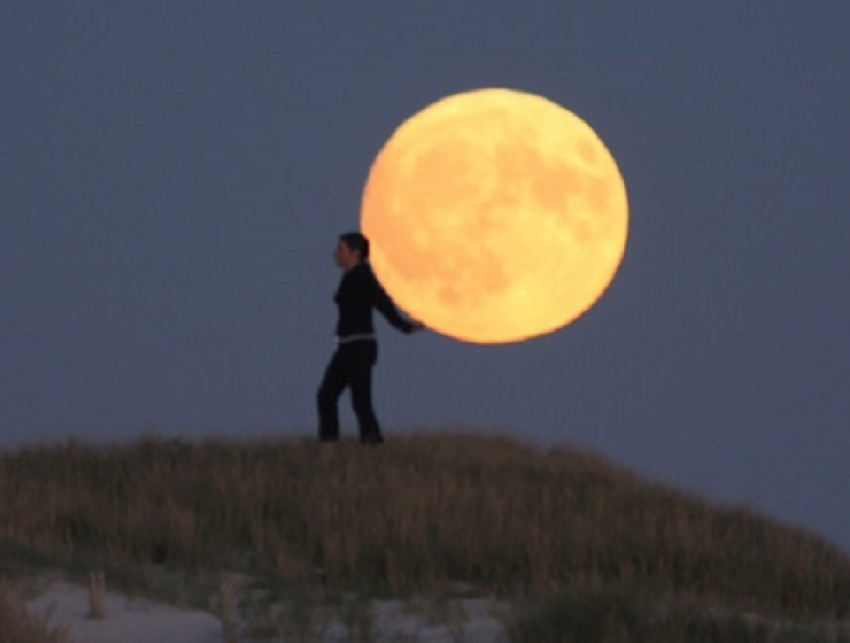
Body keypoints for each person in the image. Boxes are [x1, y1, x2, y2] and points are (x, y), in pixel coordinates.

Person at [317, 232, 424, 444]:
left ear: (355, 253)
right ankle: (329, 446)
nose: (336, 254)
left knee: (359, 400)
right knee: (326, 395)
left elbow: (383, 303)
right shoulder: (349, 276)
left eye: (341, 249)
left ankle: (372, 443)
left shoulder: (364, 275)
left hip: (361, 346)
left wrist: (406, 327)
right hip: (347, 346)